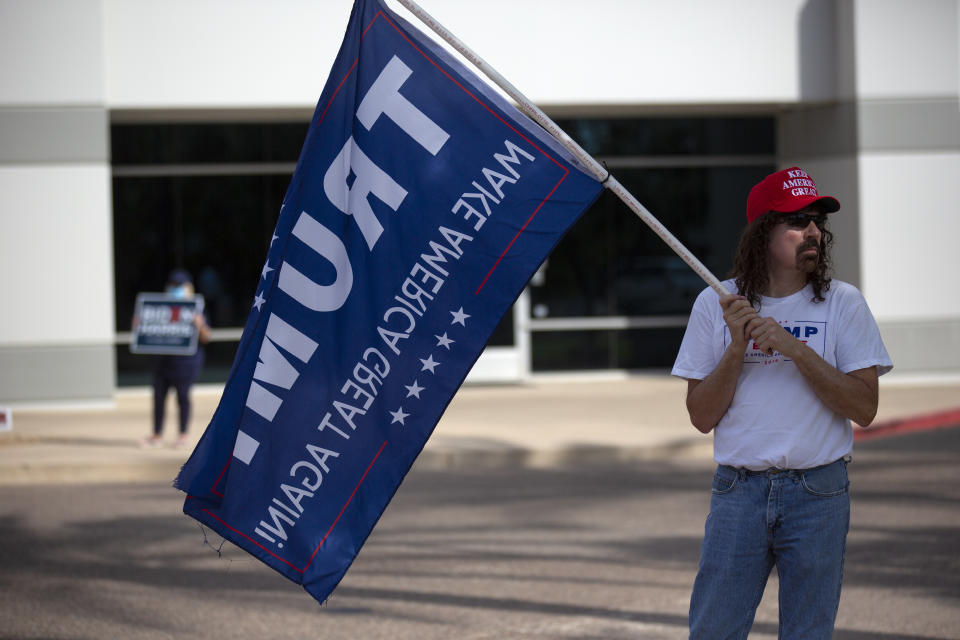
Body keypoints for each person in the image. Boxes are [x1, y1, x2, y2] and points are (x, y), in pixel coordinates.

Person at [671, 167, 893, 639]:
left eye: (817, 220)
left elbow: (865, 407)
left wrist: (795, 349)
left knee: (808, 633)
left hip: (819, 493)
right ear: (761, 233)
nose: (812, 231)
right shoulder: (717, 303)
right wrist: (737, 346)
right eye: (797, 220)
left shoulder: (842, 303)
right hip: (739, 493)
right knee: (714, 629)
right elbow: (700, 416)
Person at [141, 269, 211, 448]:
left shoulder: (196, 309)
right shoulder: (159, 309)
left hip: (186, 363)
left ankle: (183, 435)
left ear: (188, 288)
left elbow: (206, 337)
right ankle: (156, 435)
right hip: (163, 361)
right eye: (172, 286)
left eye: (179, 286)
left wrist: (200, 325)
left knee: (183, 397)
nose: (175, 289)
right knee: (158, 397)